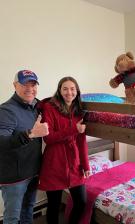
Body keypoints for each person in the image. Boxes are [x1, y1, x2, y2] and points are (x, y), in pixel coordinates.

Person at [38, 76, 90, 224]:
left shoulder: (79, 111)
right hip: (54, 162)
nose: (69, 92)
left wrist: (86, 166)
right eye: (65, 89)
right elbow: (48, 138)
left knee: (81, 202)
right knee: (54, 206)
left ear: (77, 91)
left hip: (74, 163)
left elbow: (81, 141)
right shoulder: (50, 108)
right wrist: (73, 129)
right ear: (59, 91)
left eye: (72, 89)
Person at [0, 70, 49, 224]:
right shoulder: (6, 110)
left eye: (33, 84)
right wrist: (30, 134)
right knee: (12, 218)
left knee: (28, 209)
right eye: (24, 84)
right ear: (15, 85)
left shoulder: (36, 106)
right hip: (14, 178)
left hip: (33, 171)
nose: (29, 88)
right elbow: (2, 142)